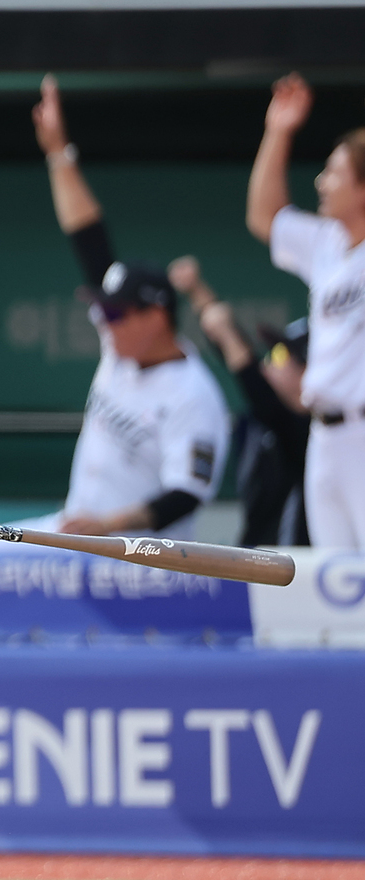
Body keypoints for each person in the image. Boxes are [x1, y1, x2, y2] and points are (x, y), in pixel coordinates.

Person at [29, 75, 230, 540]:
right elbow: (90, 244)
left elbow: (186, 495)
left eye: (117, 314)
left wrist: (108, 527)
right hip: (77, 538)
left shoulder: (194, 395)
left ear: (156, 316)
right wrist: (59, 153)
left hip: (141, 560)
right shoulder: (121, 346)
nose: (106, 322)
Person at [247, 72, 365, 548]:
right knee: (336, 586)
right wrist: (279, 131)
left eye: (335, 172)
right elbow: (264, 217)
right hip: (326, 435)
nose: (321, 181)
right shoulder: (328, 242)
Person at [168, 256, 311, 546]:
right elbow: (233, 351)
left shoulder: (313, 428)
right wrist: (198, 292)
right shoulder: (273, 407)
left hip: (296, 566)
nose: (272, 362)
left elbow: (250, 377)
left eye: (284, 356)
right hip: (259, 554)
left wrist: (221, 326)